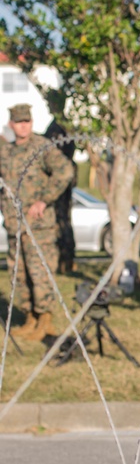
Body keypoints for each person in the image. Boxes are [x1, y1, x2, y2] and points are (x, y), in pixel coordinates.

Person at [0, 104, 75, 341]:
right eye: (19, 122)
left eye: (27, 122)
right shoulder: (7, 151)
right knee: (19, 275)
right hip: (14, 225)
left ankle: (45, 320)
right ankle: (29, 317)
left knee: (40, 272)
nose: (23, 126)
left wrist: (44, 200)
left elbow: (65, 171)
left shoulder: (41, 147)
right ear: (12, 124)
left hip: (39, 226)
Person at [42, 117, 77, 274]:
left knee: (62, 221)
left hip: (61, 182)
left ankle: (66, 261)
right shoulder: (61, 128)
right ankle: (62, 262)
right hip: (61, 181)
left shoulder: (60, 129)